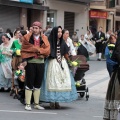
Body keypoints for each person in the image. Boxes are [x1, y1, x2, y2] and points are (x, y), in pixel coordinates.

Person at [40, 26, 78, 109]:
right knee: (52, 81)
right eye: (58, 32)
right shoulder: (49, 41)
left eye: (61, 32)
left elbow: (65, 53)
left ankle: (57, 101)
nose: (60, 33)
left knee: (61, 81)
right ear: (54, 32)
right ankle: (51, 101)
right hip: (52, 63)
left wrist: (69, 62)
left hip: (62, 63)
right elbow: (45, 52)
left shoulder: (62, 42)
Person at [21, 21, 50, 111]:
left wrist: (38, 51)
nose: (34, 29)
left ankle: (36, 104)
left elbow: (47, 50)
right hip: (31, 62)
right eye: (33, 27)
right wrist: (25, 60)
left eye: (36, 28)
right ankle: (28, 104)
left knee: (38, 83)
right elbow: (24, 50)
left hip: (40, 62)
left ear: (40, 29)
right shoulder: (26, 37)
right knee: (29, 83)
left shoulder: (44, 38)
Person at [103, 35, 120, 119]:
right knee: (115, 94)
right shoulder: (111, 47)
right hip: (116, 71)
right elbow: (110, 57)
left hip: (116, 70)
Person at [10, 30, 27, 96]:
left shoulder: (26, 43)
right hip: (16, 59)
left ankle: (21, 87)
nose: (19, 37)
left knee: (22, 73)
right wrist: (15, 50)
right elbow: (12, 49)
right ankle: (15, 87)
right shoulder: (15, 42)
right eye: (19, 35)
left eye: (21, 35)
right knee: (15, 72)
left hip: (23, 59)